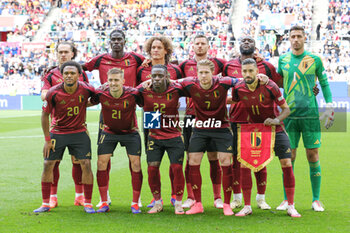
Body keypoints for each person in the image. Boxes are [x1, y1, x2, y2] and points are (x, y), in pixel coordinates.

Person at [228, 58, 301, 218]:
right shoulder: (238, 88)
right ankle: (247, 206)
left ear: (257, 71)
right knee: (245, 165)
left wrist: (276, 120)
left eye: (250, 71)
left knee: (287, 163)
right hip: (253, 130)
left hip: (276, 129)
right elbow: (230, 100)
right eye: (244, 71)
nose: (247, 74)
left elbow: (286, 109)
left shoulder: (270, 86)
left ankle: (291, 205)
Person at [83, 29, 145, 207]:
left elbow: (152, 64)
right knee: (103, 159)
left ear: (125, 41)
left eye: (119, 39)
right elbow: (81, 68)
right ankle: (105, 197)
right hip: (107, 108)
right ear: (109, 41)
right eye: (113, 39)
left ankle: (138, 199)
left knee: (136, 160)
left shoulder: (135, 58)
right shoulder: (101, 59)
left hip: (129, 107)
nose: (116, 42)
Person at [276, 25, 334, 212]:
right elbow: (278, 85)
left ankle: (316, 199)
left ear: (304, 38)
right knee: (288, 157)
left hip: (310, 115)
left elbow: (323, 84)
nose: (295, 39)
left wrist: (330, 104)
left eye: (299, 36)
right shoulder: (283, 60)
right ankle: (286, 199)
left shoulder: (315, 60)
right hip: (289, 116)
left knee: (312, 155)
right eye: (292, 36)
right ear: (289, 38)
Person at [222, 35, 283, 210]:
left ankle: (261, 198)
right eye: (243, 40)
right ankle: (237, 197)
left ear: (255, 45)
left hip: (260, 122)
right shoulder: (228, 65)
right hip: (236, 119)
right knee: (236, 160)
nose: (246, 42)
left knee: (260, 159)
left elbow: (280, 84)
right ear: (239, 45)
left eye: (250, 40)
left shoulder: (267, 66)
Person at [34, 61, 96, 214]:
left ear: (79, 75)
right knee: (48, 164)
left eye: (72, 73)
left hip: (79, 132)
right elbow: (44, 115)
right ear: (62, 75)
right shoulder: (53, 92)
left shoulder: (87, 89)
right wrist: (47, 140)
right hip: (58, 132)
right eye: (66, 73)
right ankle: (45, 203)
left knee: (86, 164)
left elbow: (99, 97)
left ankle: (87, 203)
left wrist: (85, 105)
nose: (69, 75)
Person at [180, 59, 237, 216]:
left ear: (213, 73)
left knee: (226, 162)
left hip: (222, 128)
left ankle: (226, 204)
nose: (203, 75)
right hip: (200, 129)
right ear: (196, 73)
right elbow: (170, 82)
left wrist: (261, 77)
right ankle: (198, 203)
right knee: (192, 161)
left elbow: (243, 80)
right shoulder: (190, 83)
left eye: (206, 72)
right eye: (201, 72)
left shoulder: (224, 82)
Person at [179, 34, 226, 209]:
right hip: (192, 116)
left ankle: (217, 197)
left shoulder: (219, 64)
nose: (199, 46)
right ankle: (191, 196)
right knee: (190, 157)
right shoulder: (184, 65)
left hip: (213, 117)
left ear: (208, 46)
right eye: (197, 44)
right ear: (192, 46)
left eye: (202, 44)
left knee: (214, 157)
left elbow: (237, 72)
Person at [41, 41, 90, 209]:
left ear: (72, 54)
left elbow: (88, 94)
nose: (62, 54)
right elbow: (43, 95)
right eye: (60, 52)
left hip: (78, 125)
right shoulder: (50, 74)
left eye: (65, 52)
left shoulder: (80, 73)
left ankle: (79, 196)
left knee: (79, 161)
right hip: (57, 125)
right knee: (53, 162)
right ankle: (52, 197)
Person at [136, 36, 183, 208]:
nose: (155, 50)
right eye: (153, 47)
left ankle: (174, 194)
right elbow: (136, 92)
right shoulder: (142, 69)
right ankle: (156, 198)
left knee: (174, 158)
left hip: (170, 114)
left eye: (159, 47)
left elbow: (181, 88)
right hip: (151, 115)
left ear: (166, 50)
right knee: (153, 157)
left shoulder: (175, 70)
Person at [90, 68, 143, 214]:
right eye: (111, 80)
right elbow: (87, 102)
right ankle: (103, 202)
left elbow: (147, 103)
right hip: (109, 132)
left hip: (130, 132)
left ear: (123, 81)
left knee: (136, 164)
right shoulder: (101, 93)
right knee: (101, 163)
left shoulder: (133, 93)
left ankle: (135, 202)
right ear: (107, 81)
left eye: (116, 80)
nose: (113, 83)